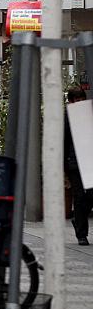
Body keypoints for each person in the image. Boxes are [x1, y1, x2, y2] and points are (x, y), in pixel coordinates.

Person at [65, 86, 92, 245]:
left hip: (89, 160)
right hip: (74, 163)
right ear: (71, 101)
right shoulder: (67, 117)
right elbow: (64, 141)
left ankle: (78, 219)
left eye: (82, 99)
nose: (80, 102)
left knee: (90, 196)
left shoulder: (89, 114)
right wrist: (64, 167)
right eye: (77, 99)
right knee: (80, 197)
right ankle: (81, 234)